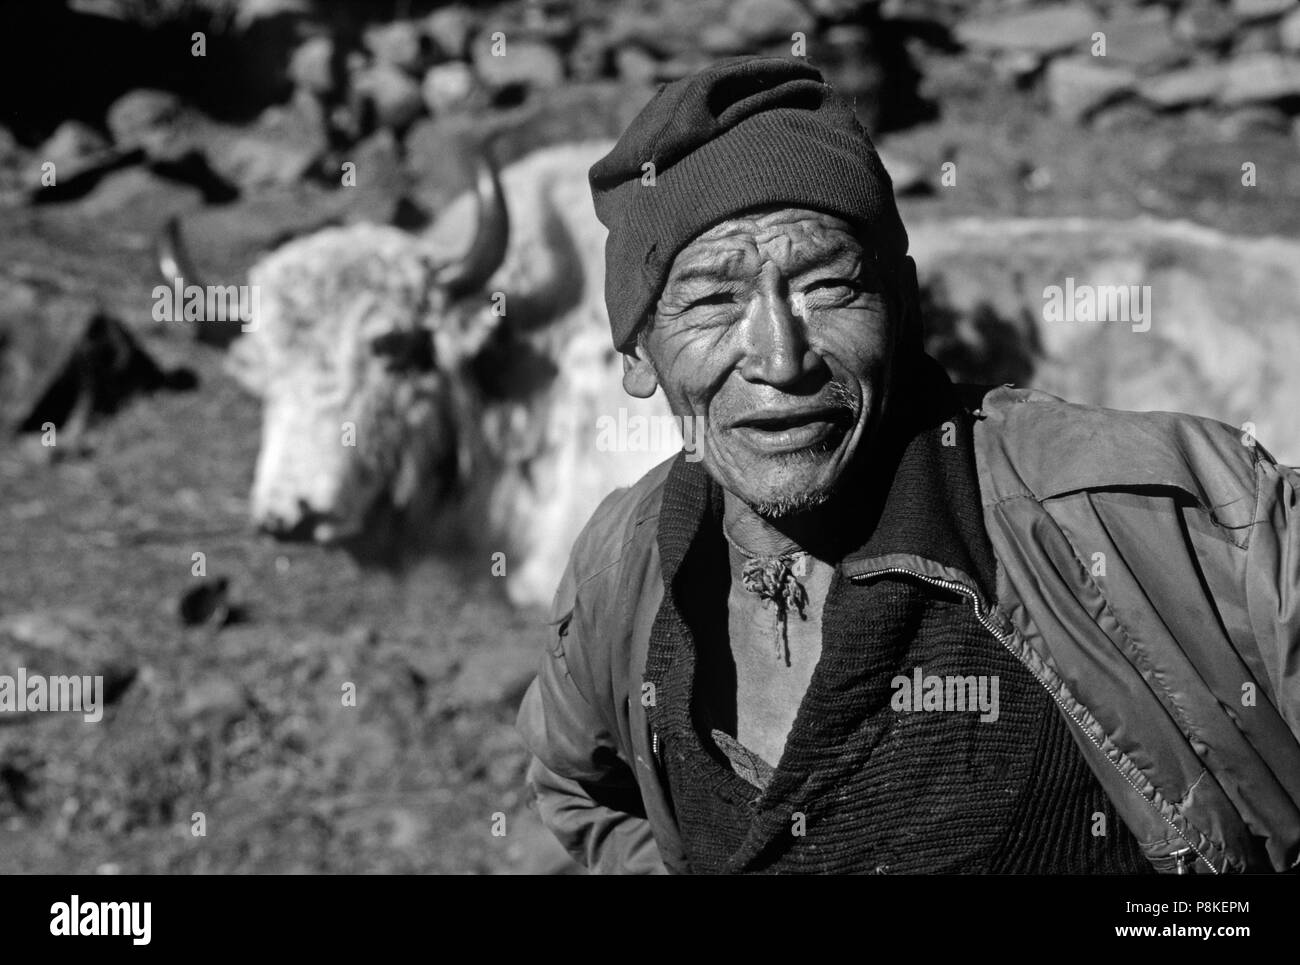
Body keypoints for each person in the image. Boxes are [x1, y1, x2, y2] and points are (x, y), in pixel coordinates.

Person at [515, 56, 1300, 874]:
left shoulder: (1152, 511)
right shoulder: (626, 568)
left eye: (828, 286)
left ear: (905, 304)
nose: (781, 358)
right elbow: (581, 788)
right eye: (713, 300)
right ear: (640, 353)